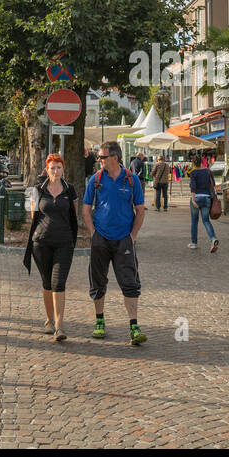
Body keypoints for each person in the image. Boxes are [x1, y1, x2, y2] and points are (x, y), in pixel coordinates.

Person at [82, 141, 147, 345]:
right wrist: (93, 233)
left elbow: (140, 209)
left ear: (114, 158)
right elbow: (86, 209)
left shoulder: (131, 180)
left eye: (102, 157)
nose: (98, 160)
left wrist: (133, 236)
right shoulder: (96, 179)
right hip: (100, 238)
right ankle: (99, 321)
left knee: (129, 282)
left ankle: (134, 326)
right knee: (98, 281)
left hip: (123, 240)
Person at [22, 153, 79, 341]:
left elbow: (73, 215)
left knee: (58, 283)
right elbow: (33, 216)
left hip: (64, 242)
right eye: (52, 168)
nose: (56, 171)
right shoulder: (37, 190)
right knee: (47, 283)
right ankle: (48, 320)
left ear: (64, 169)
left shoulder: (70, 190)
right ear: (47, 170)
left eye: (59, 167)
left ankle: (60, 326)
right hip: (42, 243)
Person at [188, 153, 220, 253]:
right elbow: (213, 184)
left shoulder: (193, 173)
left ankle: (194, 243)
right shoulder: (208, 171)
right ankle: (213, 238)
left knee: (194, 221)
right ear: (202, 162)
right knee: (206, 220)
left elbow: (193, 187)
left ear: (193, 163)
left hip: (196, 198)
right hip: (206, 198)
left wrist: (193, 200)